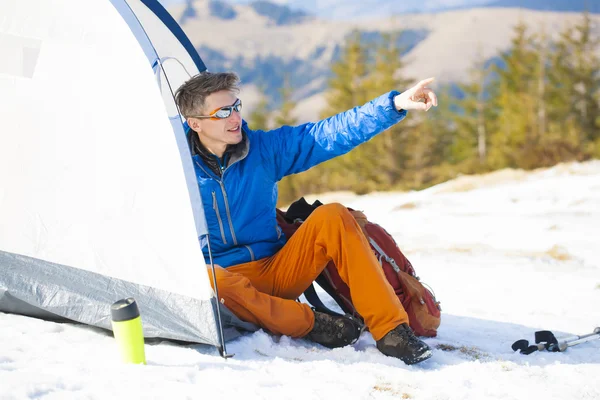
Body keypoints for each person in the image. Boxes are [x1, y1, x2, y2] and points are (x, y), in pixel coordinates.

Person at [175, 72, 438, 365]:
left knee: (333, 215)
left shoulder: (263, 150)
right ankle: (312, 324)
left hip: (278, 269)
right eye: (222, 112)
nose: (234, 117)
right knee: (207, 280)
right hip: (226, 285)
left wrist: (395, 105)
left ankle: (392, 331)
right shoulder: (176, 170)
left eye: (236, 107)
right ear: (194, 123)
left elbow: (326, 134)